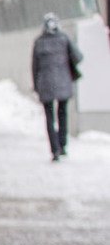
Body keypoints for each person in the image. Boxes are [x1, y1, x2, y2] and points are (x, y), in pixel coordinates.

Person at [31, 12, 83, 161]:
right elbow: (78, 57)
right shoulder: (64, 38)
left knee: (49, 117)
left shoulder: (39, 42)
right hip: (63, 83)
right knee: (62, 114)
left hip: (45, 85)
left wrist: (36, 85)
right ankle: (63, 145)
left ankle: (54, 150)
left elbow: (34, 67)